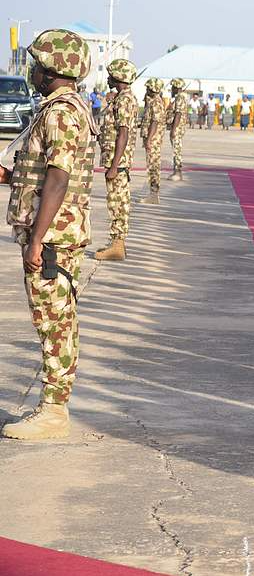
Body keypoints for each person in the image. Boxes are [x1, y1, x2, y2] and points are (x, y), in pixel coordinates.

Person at [0, 29, 97, 440]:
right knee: (59, 318)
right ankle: (55, 405)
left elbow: (59, 177)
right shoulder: (62, 107)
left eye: (38, 64)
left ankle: (54, 412)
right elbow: (45, 173)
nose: (33, 71)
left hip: (53, 237)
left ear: (52, 68)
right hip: (57, 231)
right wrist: (10, 176)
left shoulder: (60, 112)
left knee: (54, 321)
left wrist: (37, 240)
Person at [94, 59, 140, 262]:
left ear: (119, 77)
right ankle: (117, 243)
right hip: (116, 159)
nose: (108, 78)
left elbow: (123, 133)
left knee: (117, 202)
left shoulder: (125, 100)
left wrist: (114, 166)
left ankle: (117, 245)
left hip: (118, 162)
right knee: (117, 201)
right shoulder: (121, 98)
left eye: (111, 75)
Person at [139, 78, 166, 205]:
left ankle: (154, 194)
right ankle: (153, 193)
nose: (147, 90)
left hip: (153, 140)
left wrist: (149, 139)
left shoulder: (156, 102)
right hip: (154, 139)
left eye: (148, 88)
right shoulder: (154, 101)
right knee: (152, 166)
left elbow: (154, 122)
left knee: (153, 167)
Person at [167, 78, 188, 181]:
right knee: (176, 149)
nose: (172, 89)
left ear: (176, 87)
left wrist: (173, 129)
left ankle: (177, 172)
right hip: (179, 127)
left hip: (177, 128)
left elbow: (178, 114)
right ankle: (176, 171)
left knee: (177, 150)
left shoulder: (180, 98)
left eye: (173, 87)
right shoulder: (180, 97)